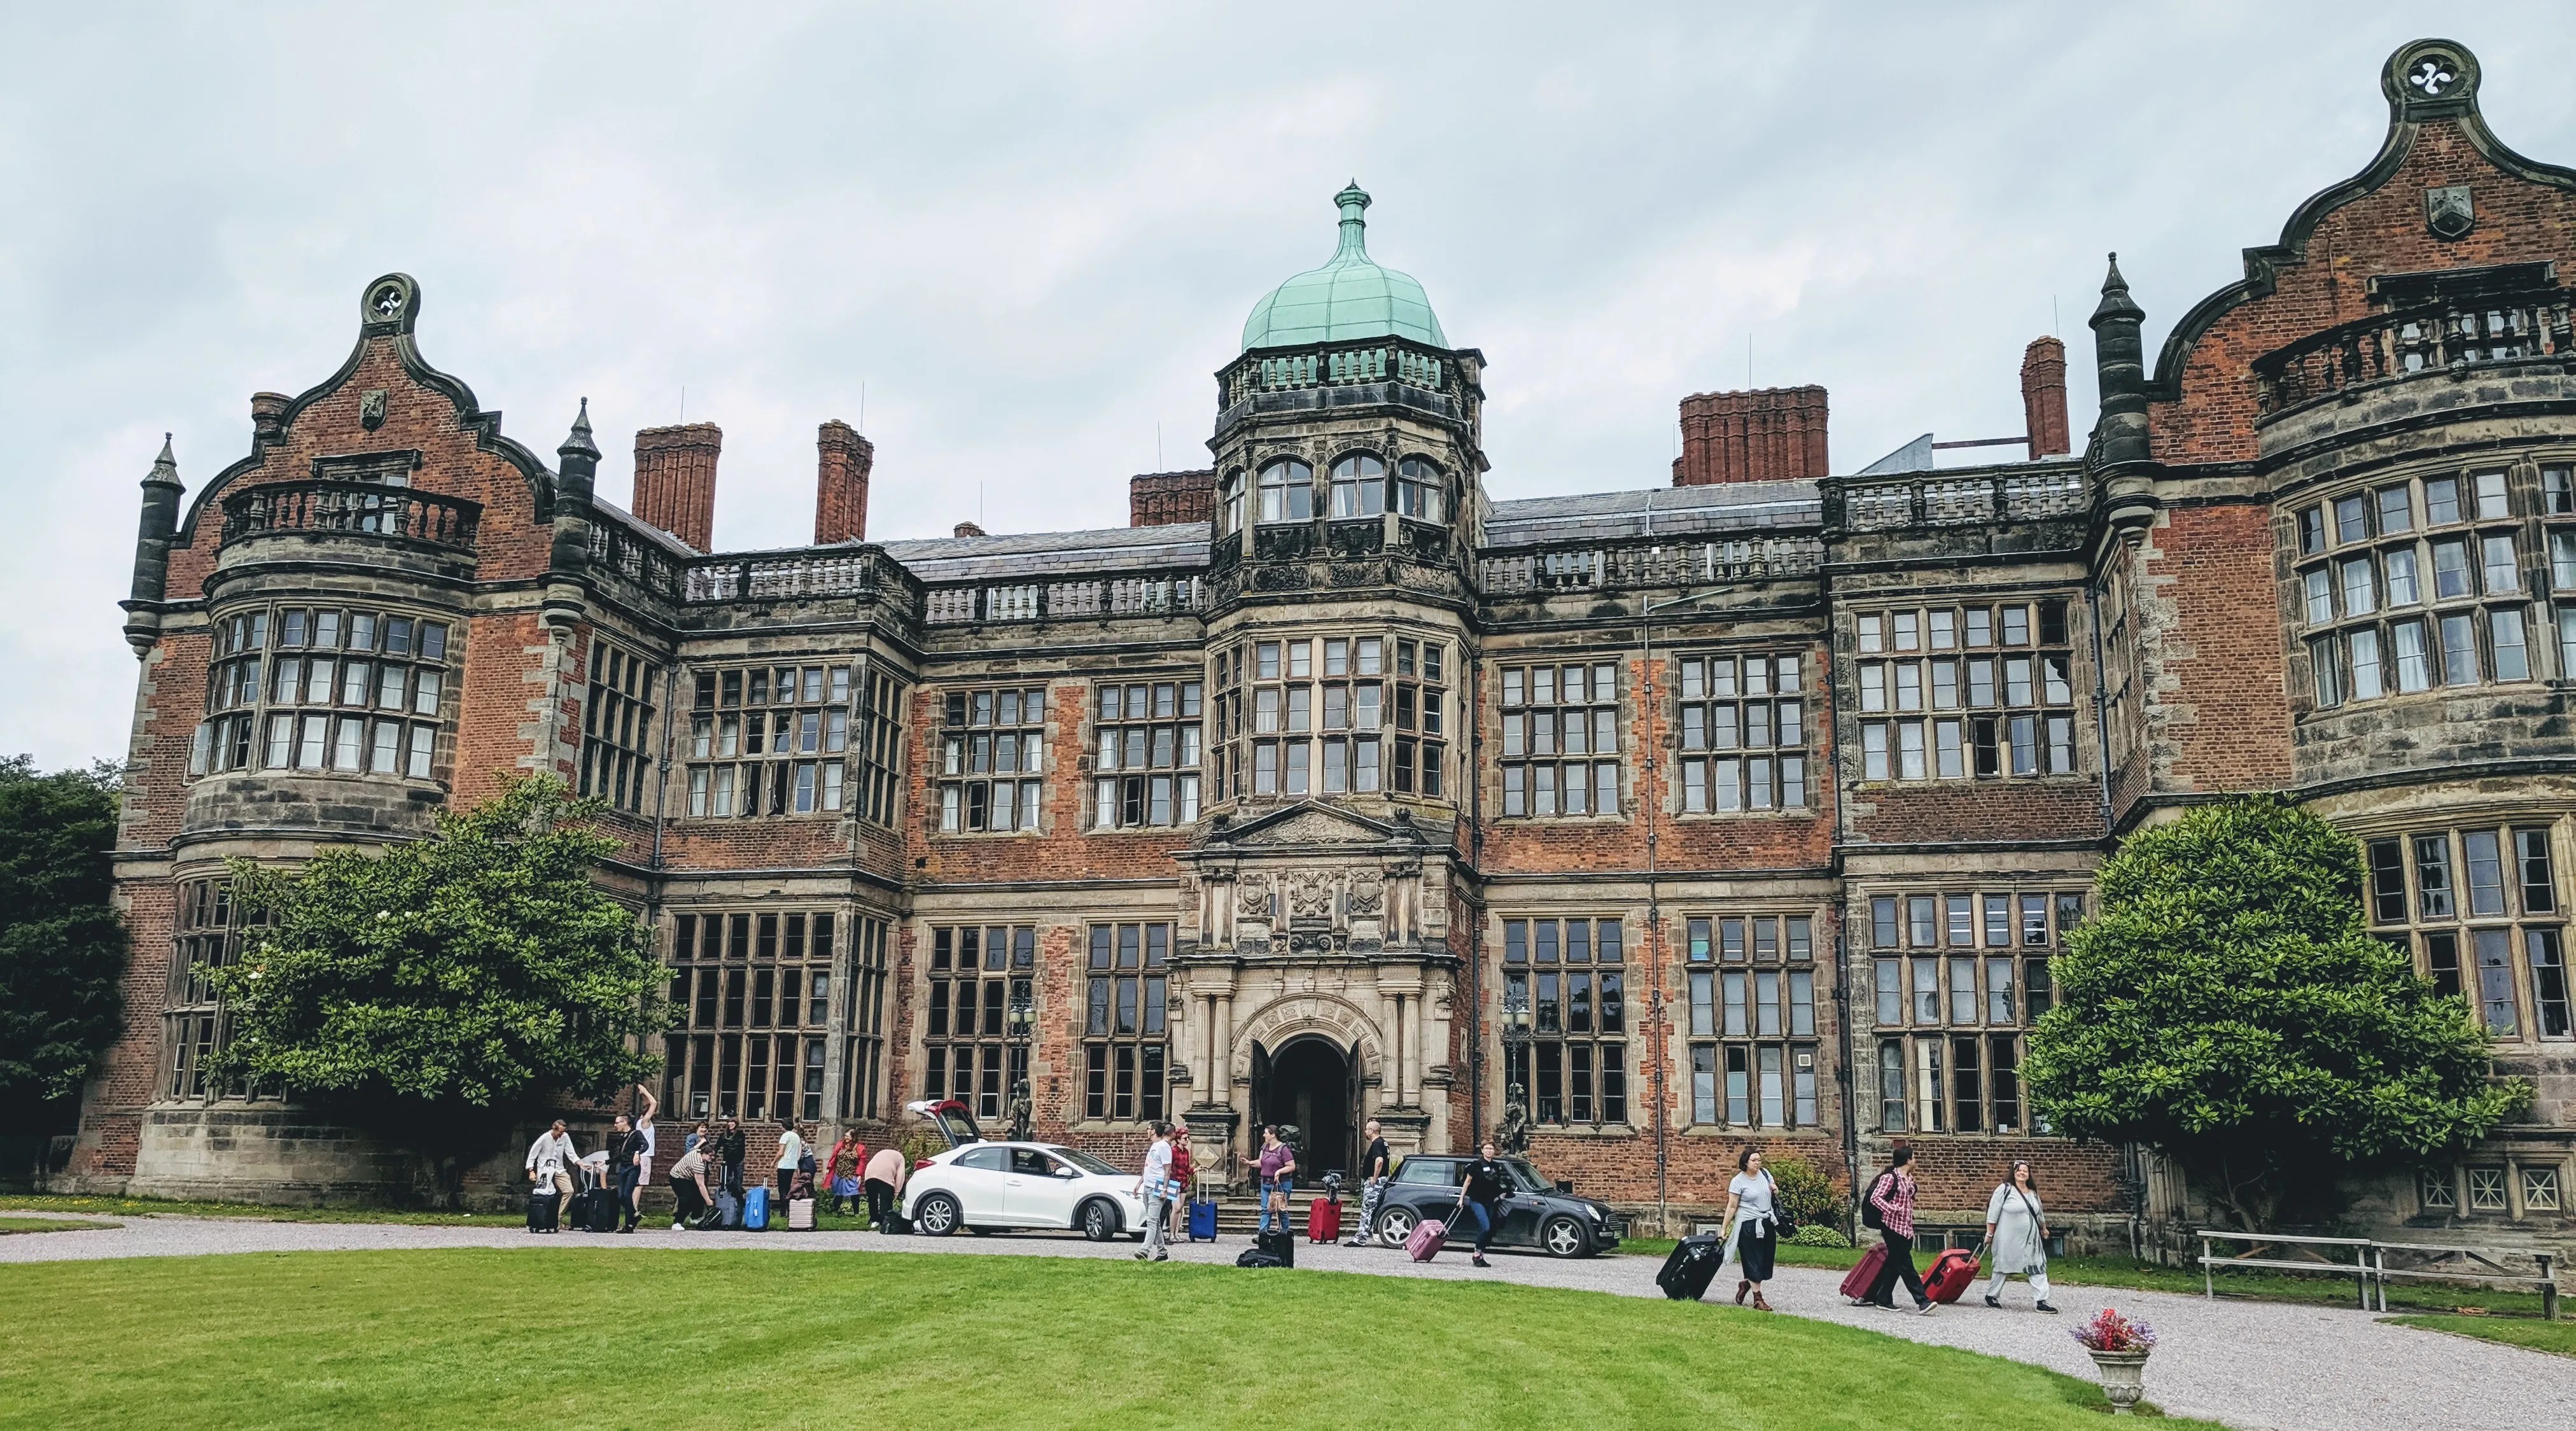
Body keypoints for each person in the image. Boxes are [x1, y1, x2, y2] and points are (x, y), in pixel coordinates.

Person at [1861, 1145, 1933, 1315]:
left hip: (1906, 1227)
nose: (1915, 1161)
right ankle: (1922, 1301)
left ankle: (1883, 1298)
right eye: (1914, 1158)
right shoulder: (1889, 1178)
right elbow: (1875, 1198)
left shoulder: (1908, 1178)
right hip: (1891, 1226)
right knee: (1906, 1264)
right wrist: (1891, 1208)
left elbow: (1910, 1195)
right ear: (1908, 1160)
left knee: (1893, 1264)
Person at [1982, 1159, 2058, 1313]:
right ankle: (1992, 1295)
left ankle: (2041, 1301)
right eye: (2019, 1170)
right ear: (2014, 1173)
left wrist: (2044, 1228)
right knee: (2002, 1266)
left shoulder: (2033, 1193)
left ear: (2029, 1175)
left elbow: (2039, 1213)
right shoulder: (2004, 1190)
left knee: (2037, 1266)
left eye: (2025, 1171)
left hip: (2031, 1239)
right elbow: (1993, 1214)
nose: (2022, 1173)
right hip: (2007, 1239)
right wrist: (1989, 1234)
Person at [1719, 1147, 1781, 1311]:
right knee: (1753, 1260)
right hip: (1748, 1224)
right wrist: (1724, 1228)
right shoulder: (1738, 1181)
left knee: (1765, 1261)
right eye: (1754, 1160)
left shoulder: (1765, 1174)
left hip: (1766, 1222)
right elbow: (1732, 1206)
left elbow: (1772, 1191)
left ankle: (1746, 1284)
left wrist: (1775, 1189)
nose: (1757, 1163)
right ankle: (1758, 1299)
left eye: (1759, 1160)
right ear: (1745, 1162)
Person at [1452, 1139, 1511, 1269]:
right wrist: (1461, 1198)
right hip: (1477, 1200)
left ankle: (1481, 1256)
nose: (1489, 1151)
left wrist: (1503, 1194)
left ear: (1494, 1151)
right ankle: (1476, 1253)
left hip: (1490, 1201)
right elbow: (1467, 1182)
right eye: (1487, 1148)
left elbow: (1497, 1184)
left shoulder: (1496, 1166)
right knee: (1485, 1227)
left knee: (1489, 1230)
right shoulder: (1476, 1165)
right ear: (1482, 1150)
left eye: (1491, 1149)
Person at [524, 1119, 577, 1231]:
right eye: (560, 1132)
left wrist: (580, 1163)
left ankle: (557, 1218)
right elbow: (533, 1154)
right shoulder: (544, 1138)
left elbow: (571, 1153)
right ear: (554, 1129)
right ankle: (536, 1220)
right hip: (545, 1170)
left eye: (563, 1132)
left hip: (559, 1169)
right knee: (542, 1195)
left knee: (569, 1190)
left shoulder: (565, 1137)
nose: (561, 1134)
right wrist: (531, 1170)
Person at [1134, 1122, 1175, 1262]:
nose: (1147, 1131)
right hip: (1148, 1187)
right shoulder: (1155, 1146)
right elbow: (1149, 1167)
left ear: (1153, 1131)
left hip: (1157, 1189)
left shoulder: (1164, 1147)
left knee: (1151, 1221)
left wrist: (1164, 1189)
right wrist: (1140, 1183)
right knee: (1155, 1221)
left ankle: (1145, 1250)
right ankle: (1162, 1252)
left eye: (1149, 1129)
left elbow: (1167, 1169)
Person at [1347, 1119, 1391, 1247]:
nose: (1365, 1132)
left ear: (1372, 1131)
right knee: (1371, 1209)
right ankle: (1363, 1236)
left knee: (1367, 1210)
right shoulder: (1384, 1143)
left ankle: (1360, 1239)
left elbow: (1379, 1161)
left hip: (1375, 1183)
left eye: (1367, 1129)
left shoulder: (1377, 1144)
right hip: (1382, 1180)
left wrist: (1374, 1178)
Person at [1244, 1126, 1294, 1236]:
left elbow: (1291, 1166)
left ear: (1273, 1135)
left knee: (1282, 1210)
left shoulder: (1283, 1149)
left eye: (1266, 1133)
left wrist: (1279, 1171)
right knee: (1265, 1210)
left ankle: (1285, 1234)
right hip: (1266, 1183)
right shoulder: (1265, 1147)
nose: (1264, 1135)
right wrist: (1250, 1163)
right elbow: (1262, 1163)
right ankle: (1262, 1235)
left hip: (1281, 1184)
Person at [610, 1112, 647, 1233]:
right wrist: (606, 1162)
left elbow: (645, 1145)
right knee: (620, 1196)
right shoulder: (622, 1137)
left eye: (617, 1123)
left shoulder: (636, 1134)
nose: (615, 1125)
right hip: (623, 1168)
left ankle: (629, 1225)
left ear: (624, 1123)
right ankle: (635, 1215)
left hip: (633, 1168)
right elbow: (621, 1156)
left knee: (627, 1195)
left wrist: (638, 1153)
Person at [668, 1140, 715, 1230]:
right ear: (704, 1153)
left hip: (688, 1177)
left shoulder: (697, 1152)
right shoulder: (698, 1164)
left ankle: (695, 1217)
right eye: (710, 1155)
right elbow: (701, 1185)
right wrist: (708, 1200)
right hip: (677, 1177)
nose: (712, 1158)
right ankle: (677, 1223)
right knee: (686, 1198)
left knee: (698, 1195)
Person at [630, 1085, 659, 1227]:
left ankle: (634, 1210)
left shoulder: (641, 1124)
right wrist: (645, 1091)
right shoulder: (644, 1123)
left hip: (644, 1155)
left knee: (638, 1184)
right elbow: (654, 1103)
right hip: (645, 1156)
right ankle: (634, 1210)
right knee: (639, 1184)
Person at [864, 1142, 906, 1231]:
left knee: (872, 1199)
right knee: (886, 1200)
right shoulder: (900, 1157)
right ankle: (885, 1222)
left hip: (869, 1174)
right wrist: (897, 1192)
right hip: (885, 1177)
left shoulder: (882, 1152)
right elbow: (900, 1176)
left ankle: (874, 1221)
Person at [823, 1131, 865, 1217]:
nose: (845, 1138)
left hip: (851, 1174)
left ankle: (856, 1212)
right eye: (845, 1136)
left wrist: (859, 1174)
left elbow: (861, 1162)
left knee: (854, 1193)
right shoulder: (840, 1145)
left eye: (847, 1136)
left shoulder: (859, 1148)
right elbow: (834, 1157)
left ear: (853, 1137)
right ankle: (835, 1210)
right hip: (839, 1172)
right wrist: (829, 1168)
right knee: (839, 1193)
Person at [774, 1119, 808, 1218]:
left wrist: (774, 1161)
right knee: (788, 1187)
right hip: (792, 1165)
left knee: (782, 1189)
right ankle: (789, 1209)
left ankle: (783, 1211)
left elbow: (781, 1152)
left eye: (781, 1126)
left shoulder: (785, 1136)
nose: (780, 1127)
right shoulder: (796, 1136)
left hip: (784, 1165)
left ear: (785, 1126)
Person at [1166, 1129, 1195, 1242]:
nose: (1187, 1140)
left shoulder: (1186, 1152)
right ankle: (1171, 1234)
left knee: (1180, 1208)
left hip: (1183, 1181)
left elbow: (1186, 1168)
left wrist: (1194, 1170)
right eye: (1185, 1138)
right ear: (1178, 1140)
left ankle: (1176, 1233)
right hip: (1174, 1182)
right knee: (1176, 1207)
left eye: (1187, 1138)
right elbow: (1169, 1167)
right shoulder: (1173, 1151)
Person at [716, 1117, 746, 1196]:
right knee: (727, 1180)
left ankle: (738, 1200)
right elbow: (717, 1147)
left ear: (736, 1123)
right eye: (728, 1122)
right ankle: (727, 1198)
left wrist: (742, 1159)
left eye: (732, 1122)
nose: (730, 1124)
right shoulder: (723, 1135)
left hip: (738, 1162)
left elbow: (741, 1148)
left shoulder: (740, 1135)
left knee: (738, 1181)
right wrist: (713, 1155)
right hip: (727, 1161)